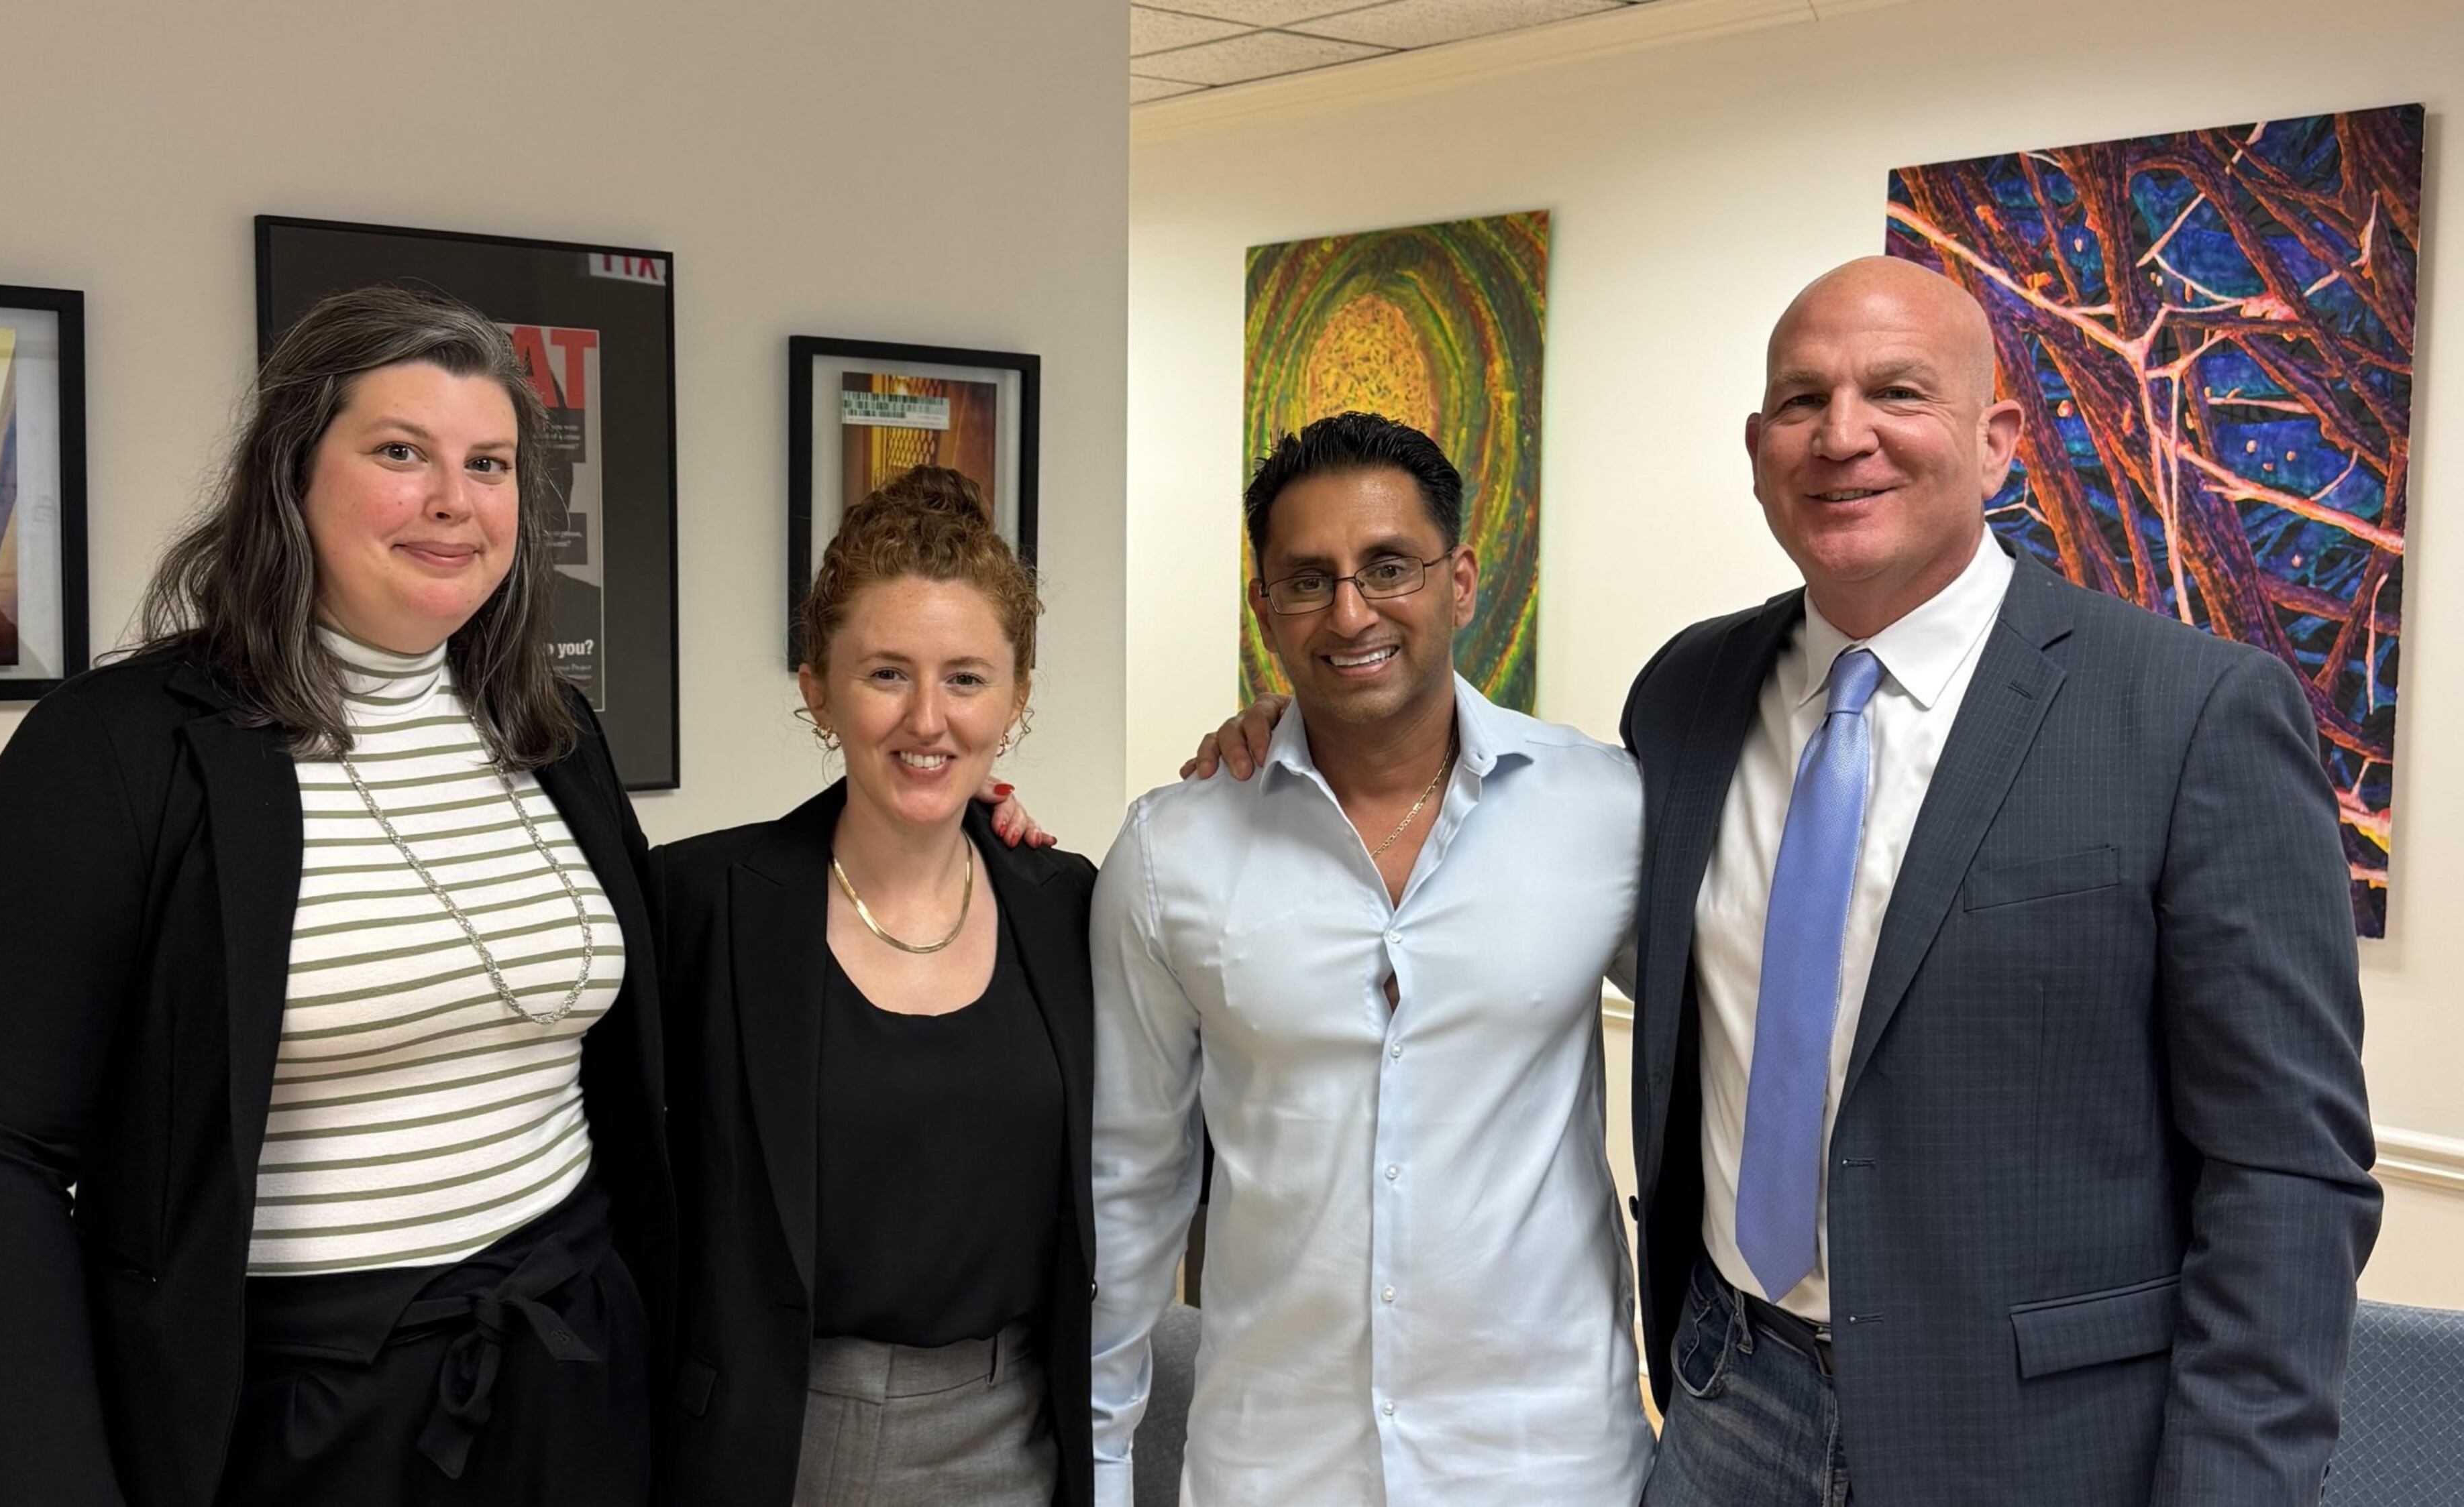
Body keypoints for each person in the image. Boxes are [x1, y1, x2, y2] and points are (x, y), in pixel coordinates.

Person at [1199, 259, 2380, 1506]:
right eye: (1803, 400)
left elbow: (2291, 1175)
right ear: (1760, 450)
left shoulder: (2189, 713)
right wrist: (1303, 729)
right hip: (1726, 1400)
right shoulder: (1690, 698)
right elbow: (1499, 836)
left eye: (1897, 392)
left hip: (2033, 1439)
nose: (1844, 435)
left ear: (1996, 444)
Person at [0, 285, 674, 1506]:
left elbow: (673, 959)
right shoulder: (113, 755)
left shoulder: (551, 731)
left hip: (571, 1364)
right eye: (398, 452)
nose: (452, 500)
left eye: (489, 465)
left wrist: (954, 839)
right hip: (296, 1409)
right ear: (290, 475)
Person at [1093, 412, 1655, 1507]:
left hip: (1548, 1467)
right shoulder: (1174, 852)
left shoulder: (1607, 812)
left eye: (1389, 567)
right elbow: (1130, 1186)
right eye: (1308, 580)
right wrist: (1106, 1462)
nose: (1351, 612)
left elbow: (1741, 1049)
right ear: (1265, 608)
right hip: (1273, 1465)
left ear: (1462, 578)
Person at [653, 466, 1096, 1506]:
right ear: (817, 686)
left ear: (1018, 694)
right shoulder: (698, 904)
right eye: (887, 674)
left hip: (1018, 1438)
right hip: (777, 1443)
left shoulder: (1070, 906)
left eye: (968, 678)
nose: (929, 719)